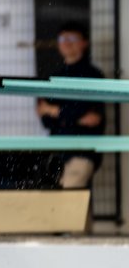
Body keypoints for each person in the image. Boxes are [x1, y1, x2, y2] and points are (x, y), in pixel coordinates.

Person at [37, 23, 105, 189]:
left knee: (69, 199)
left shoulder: (94, 75)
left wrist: (53, 111)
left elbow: (92, 118)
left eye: (72, 38)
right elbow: (45, 118)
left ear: (84, 43)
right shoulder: (53, 76)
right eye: (62, 39)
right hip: (56, 152)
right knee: (75, 204)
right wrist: (74, 116)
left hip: (83, 152)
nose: (66, 42)